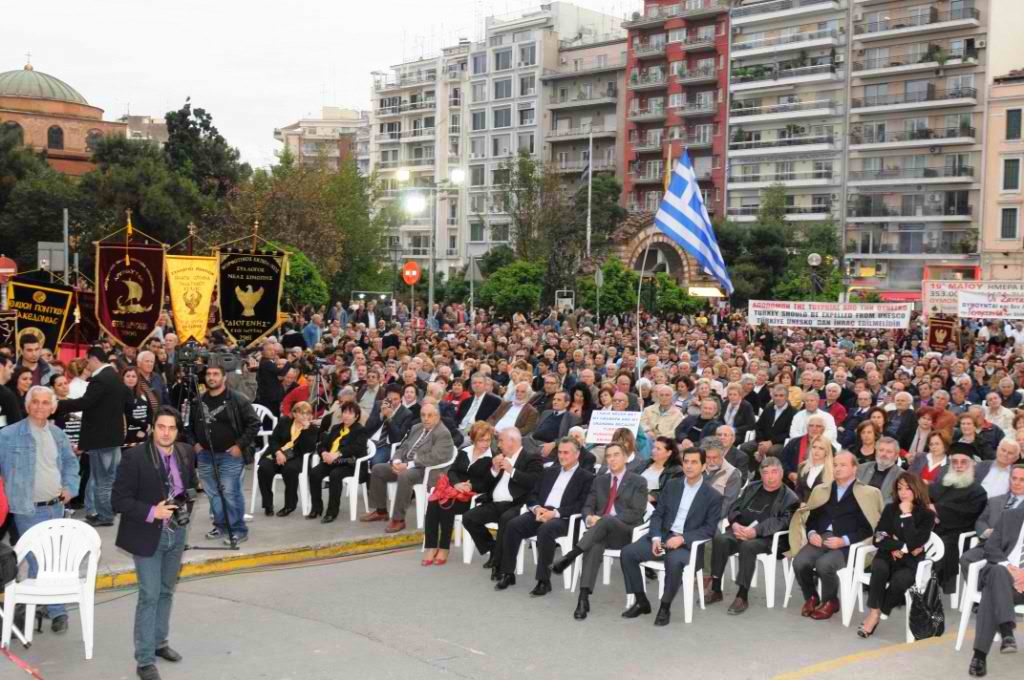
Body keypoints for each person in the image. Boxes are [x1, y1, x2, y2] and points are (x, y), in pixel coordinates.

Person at [111, 406, 194, 680]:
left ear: (177, 430)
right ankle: (145, 659)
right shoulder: (133, 457)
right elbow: (118, 501)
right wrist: (152, 512)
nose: (166, 432)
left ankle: (160, 643)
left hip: (177, 533)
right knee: (149, 595)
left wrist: (184, 506)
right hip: (147, 533)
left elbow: (188, 487)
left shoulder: (184, 452)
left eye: (171, 428)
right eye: (161, 427)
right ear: (152, 428)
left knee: (167, 591)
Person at [0, 385, 79, 634]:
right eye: (36, 402)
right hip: (26, 510)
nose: (40, 407)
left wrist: (70, 487)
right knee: (40, 559)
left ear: (53, 407)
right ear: (27, 404)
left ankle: (42, 605)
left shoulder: (58, 434)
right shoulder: (8, 435)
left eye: (46, 402)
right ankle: (58, 611)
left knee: (48, 559)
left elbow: (70, 462)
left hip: (55, 508)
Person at [620, 448, 722, 627]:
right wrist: (656, 538)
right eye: (686, 461)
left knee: (674, 562)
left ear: (704, 466)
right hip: (664, 536)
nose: (689, 466)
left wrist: (683, 539)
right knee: (628, 553)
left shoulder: (712, 496)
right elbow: (658, 514)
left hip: (688, 545)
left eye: (694, 462)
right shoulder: (672, 485)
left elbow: (709, 529)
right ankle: (641, 601)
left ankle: (664, 607)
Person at [551, 442, 649, 619]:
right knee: (594, 545)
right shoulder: (600, 480)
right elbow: (588, 505)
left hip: (625, 533)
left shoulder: (638, 481)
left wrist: (603, 520)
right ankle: (583, 599)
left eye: (616, 455)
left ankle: (571, 556)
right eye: (608, 456)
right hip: (599, 532)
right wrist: (589, 517)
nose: (611, 459)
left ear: (626, 457)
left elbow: (636, 512)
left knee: (606, 521)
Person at [789, 451, 884, 621]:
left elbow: (869, 528)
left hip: (849, 543)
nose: (837, 469)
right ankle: (811, 596)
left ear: (855, 469)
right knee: (799, 562)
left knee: (824, 564)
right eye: (835, 465)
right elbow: (812, 519)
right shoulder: (822, 490)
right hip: (821, 538)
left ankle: (830, 601)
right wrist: (811, 534)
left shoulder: (867, 493)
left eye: (843, 465)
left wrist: (844, 541)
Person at [494, 437, 593, 593]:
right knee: (513, 524)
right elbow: (532, 494)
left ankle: (543, 580)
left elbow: (581, 505)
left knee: (546, 529)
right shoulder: (549, 472)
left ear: (577, 454)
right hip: (541, 511)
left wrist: (555, 513)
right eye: (560, 452)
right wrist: (536, 508)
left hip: (564, 518)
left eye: (566, 453)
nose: (562, 456)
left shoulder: (586, 477)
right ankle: (508, 573)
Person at [706, 456, 799, 615]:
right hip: (739, 530)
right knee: (720, 539)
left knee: (747, 546)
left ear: (781, 473)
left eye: (774, 472)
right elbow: (734, 507)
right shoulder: (752, 487)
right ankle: (715, 588)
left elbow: (781, 522)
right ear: (760, 475)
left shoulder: (790, 497)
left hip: (767, 538)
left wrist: (754, 532)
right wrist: (734, 524)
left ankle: (742, 595)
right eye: (765, 473)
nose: (770, 476)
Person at [57, 346, 131, 528]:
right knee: (107, 478)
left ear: (93, 358)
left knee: (102, 480)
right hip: (113, 438)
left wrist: (60, 405)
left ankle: (105, 516)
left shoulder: (100, 379)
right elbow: (128, 400)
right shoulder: (114, 376)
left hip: (101, 439)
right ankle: (103, 512)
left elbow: (86, 403)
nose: (87, 364)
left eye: (87, 360)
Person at [188, 362, 261, 546]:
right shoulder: (198, 400)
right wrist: (195, 443)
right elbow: (188, 427)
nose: (211, 377)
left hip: (230, 455)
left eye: (215, 374)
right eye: (209, 374)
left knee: (230, 492)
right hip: (205, 455)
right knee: (213, 493)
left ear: (224, 377)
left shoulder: (237, 399)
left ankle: (238, 530)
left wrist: (239, 445)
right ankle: (220, 526)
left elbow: (254, 423)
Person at [856, 472, 936, 638]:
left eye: (908, 488)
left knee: (901, 580)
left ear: (917, 489)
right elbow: (878, 538)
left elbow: (916, 540)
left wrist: (906, 515)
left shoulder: (927, 514)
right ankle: (874, 613)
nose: (903, 492)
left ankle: (881, 608)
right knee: (878, 567)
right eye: (900, 488)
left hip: (911, 561)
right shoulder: (890, 509)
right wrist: (900, 546)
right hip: (888, 554)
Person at [461, 428, 544, 579]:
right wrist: (493, 469)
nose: (498, 445)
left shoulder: (532, 458)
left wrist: (512, 471)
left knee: (506, 519)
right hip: (495, 503)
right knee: (469, 518)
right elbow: (485, 486)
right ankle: (493, 548)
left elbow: (534, 482)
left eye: (501, 441)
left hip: (517, 504)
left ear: (512, 442)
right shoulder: (499, 458)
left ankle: (499, 566)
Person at [362, 402, 454, 533]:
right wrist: (397, 460)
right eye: (423, 415)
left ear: (437, 416)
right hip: (406, 464)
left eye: (430, 415)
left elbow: (436, 457)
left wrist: (409, 465)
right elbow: (404, 446)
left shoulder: (443, 433)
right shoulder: (417, 427)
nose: (426, 418)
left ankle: (398, 519)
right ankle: (381, 511)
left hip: (426, 470)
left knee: (405, 476)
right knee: (378, 469)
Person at [422, 422, 496, 566]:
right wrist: (456, 484)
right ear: (474, 439)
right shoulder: (465, 451)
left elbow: (489, 483)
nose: (485, 444)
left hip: (470, 496)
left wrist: (470, 486)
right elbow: (452, 471)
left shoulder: (492, 458)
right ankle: (431, 547)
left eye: (488, 440)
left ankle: (443, 548)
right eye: (481, 440)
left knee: (446, 505)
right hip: (454, 490)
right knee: (433, 502)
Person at [966, 505, 1024, 677]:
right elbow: (990, 547)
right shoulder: (1009, 516)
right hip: (1004, 576)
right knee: (997, 573)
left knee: (990, 594)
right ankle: (1006, 630)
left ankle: (979, 655)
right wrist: (1010, 568)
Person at [929, 444, 989, 594]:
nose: (958, 466)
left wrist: (937, 511)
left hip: (958, 534)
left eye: (963, 462)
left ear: (971, 464)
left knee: (942, 545)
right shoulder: (943, 483)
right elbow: (926, 500)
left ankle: (930, 588)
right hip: (932, 527)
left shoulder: (978, 491)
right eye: (955, 462)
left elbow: (967, 515)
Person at [306, 402, 369, 523]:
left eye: (350, 413)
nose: (346, 415)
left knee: (335, 474)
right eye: (344, 412)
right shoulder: (336, 428)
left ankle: (332, 512)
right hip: (332, 461)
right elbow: (322, 445)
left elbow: (356, 448)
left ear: (356, 416)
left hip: (350, 463)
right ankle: (316, 508)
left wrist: (337, 454)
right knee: (314, 473)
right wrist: (324, 453)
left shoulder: (360, 430)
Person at [257, 401, 317, 517]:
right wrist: (278, 452)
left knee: (289, 470)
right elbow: (273, 440)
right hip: (277, 453)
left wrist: (305, 430)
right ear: (294, 414)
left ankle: (289, 505)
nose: (305, 416)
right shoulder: (284, 422)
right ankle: (268, 504)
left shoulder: (312, 429)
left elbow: (307, 449)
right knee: (264, 468)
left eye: (308, 413)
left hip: (297, 457)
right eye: (301, 413)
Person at [741, 384, 795, 466]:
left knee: (772, 451)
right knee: (745, 447)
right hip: (763, 440)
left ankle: (770, 473)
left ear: (787, 397)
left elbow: (788, 433)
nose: (778, 398)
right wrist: (761, 442)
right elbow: (758, 426)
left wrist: (771, 442)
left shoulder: (793, 412)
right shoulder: (768, 408)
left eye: (781, 395)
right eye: (776, 395)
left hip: (780, 443)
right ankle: (755, 472)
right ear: (772, 397)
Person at [364, 383, 415, 465]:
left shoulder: (406, 413)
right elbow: (368, 426)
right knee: (354, 457)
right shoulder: (378, 404)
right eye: (389, 399)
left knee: (375, 462)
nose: (393, 402)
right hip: (370, 440)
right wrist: (381, 415)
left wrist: (389, 418)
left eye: (396, 399)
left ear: (401, 398)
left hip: (387, 445)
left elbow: (398, 438)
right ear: (385, 398)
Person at [524, 391, 579, 458]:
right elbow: (535, 429)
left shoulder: (572, 418)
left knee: (530, 455)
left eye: (559, 400)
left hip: (549, 445)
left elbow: (571, 437)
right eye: (554, 399)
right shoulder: (546, 413)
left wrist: (555, 443)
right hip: (532, 441)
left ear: (567, 403)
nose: (555, 402)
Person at [856, 436, 903, 503]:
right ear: (876, 452)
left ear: (896, 456)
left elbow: (895, 500)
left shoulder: (901, 475)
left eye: (889, 452)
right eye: (881, 450)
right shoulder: (862, 468)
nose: (884, 454)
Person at [639, 436, 682, 505]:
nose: (653, 451)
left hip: (653, 506)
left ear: (669, 453)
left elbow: (669, 492)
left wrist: (651, 497)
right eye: (653, 447)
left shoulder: (676, 470)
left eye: (658, 449)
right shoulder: (645, 463)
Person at [794, 435, 835, 503]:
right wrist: (801, 503)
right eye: (814, 447)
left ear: (827, 452)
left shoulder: (833, 471)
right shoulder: (802, 466)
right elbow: (798, 491)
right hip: (803, 509)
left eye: (821, 448)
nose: (816, 451)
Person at [123, 366, 154, 447]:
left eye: (134, 376)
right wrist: (143, 426)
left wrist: (148, 426)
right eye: (128, 376)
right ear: (123, 378)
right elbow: (126, 416)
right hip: (129, 433)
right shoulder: (120, 395)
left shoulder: (143, 393)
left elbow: (150, 411)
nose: (131, 379)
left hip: (145, 432)